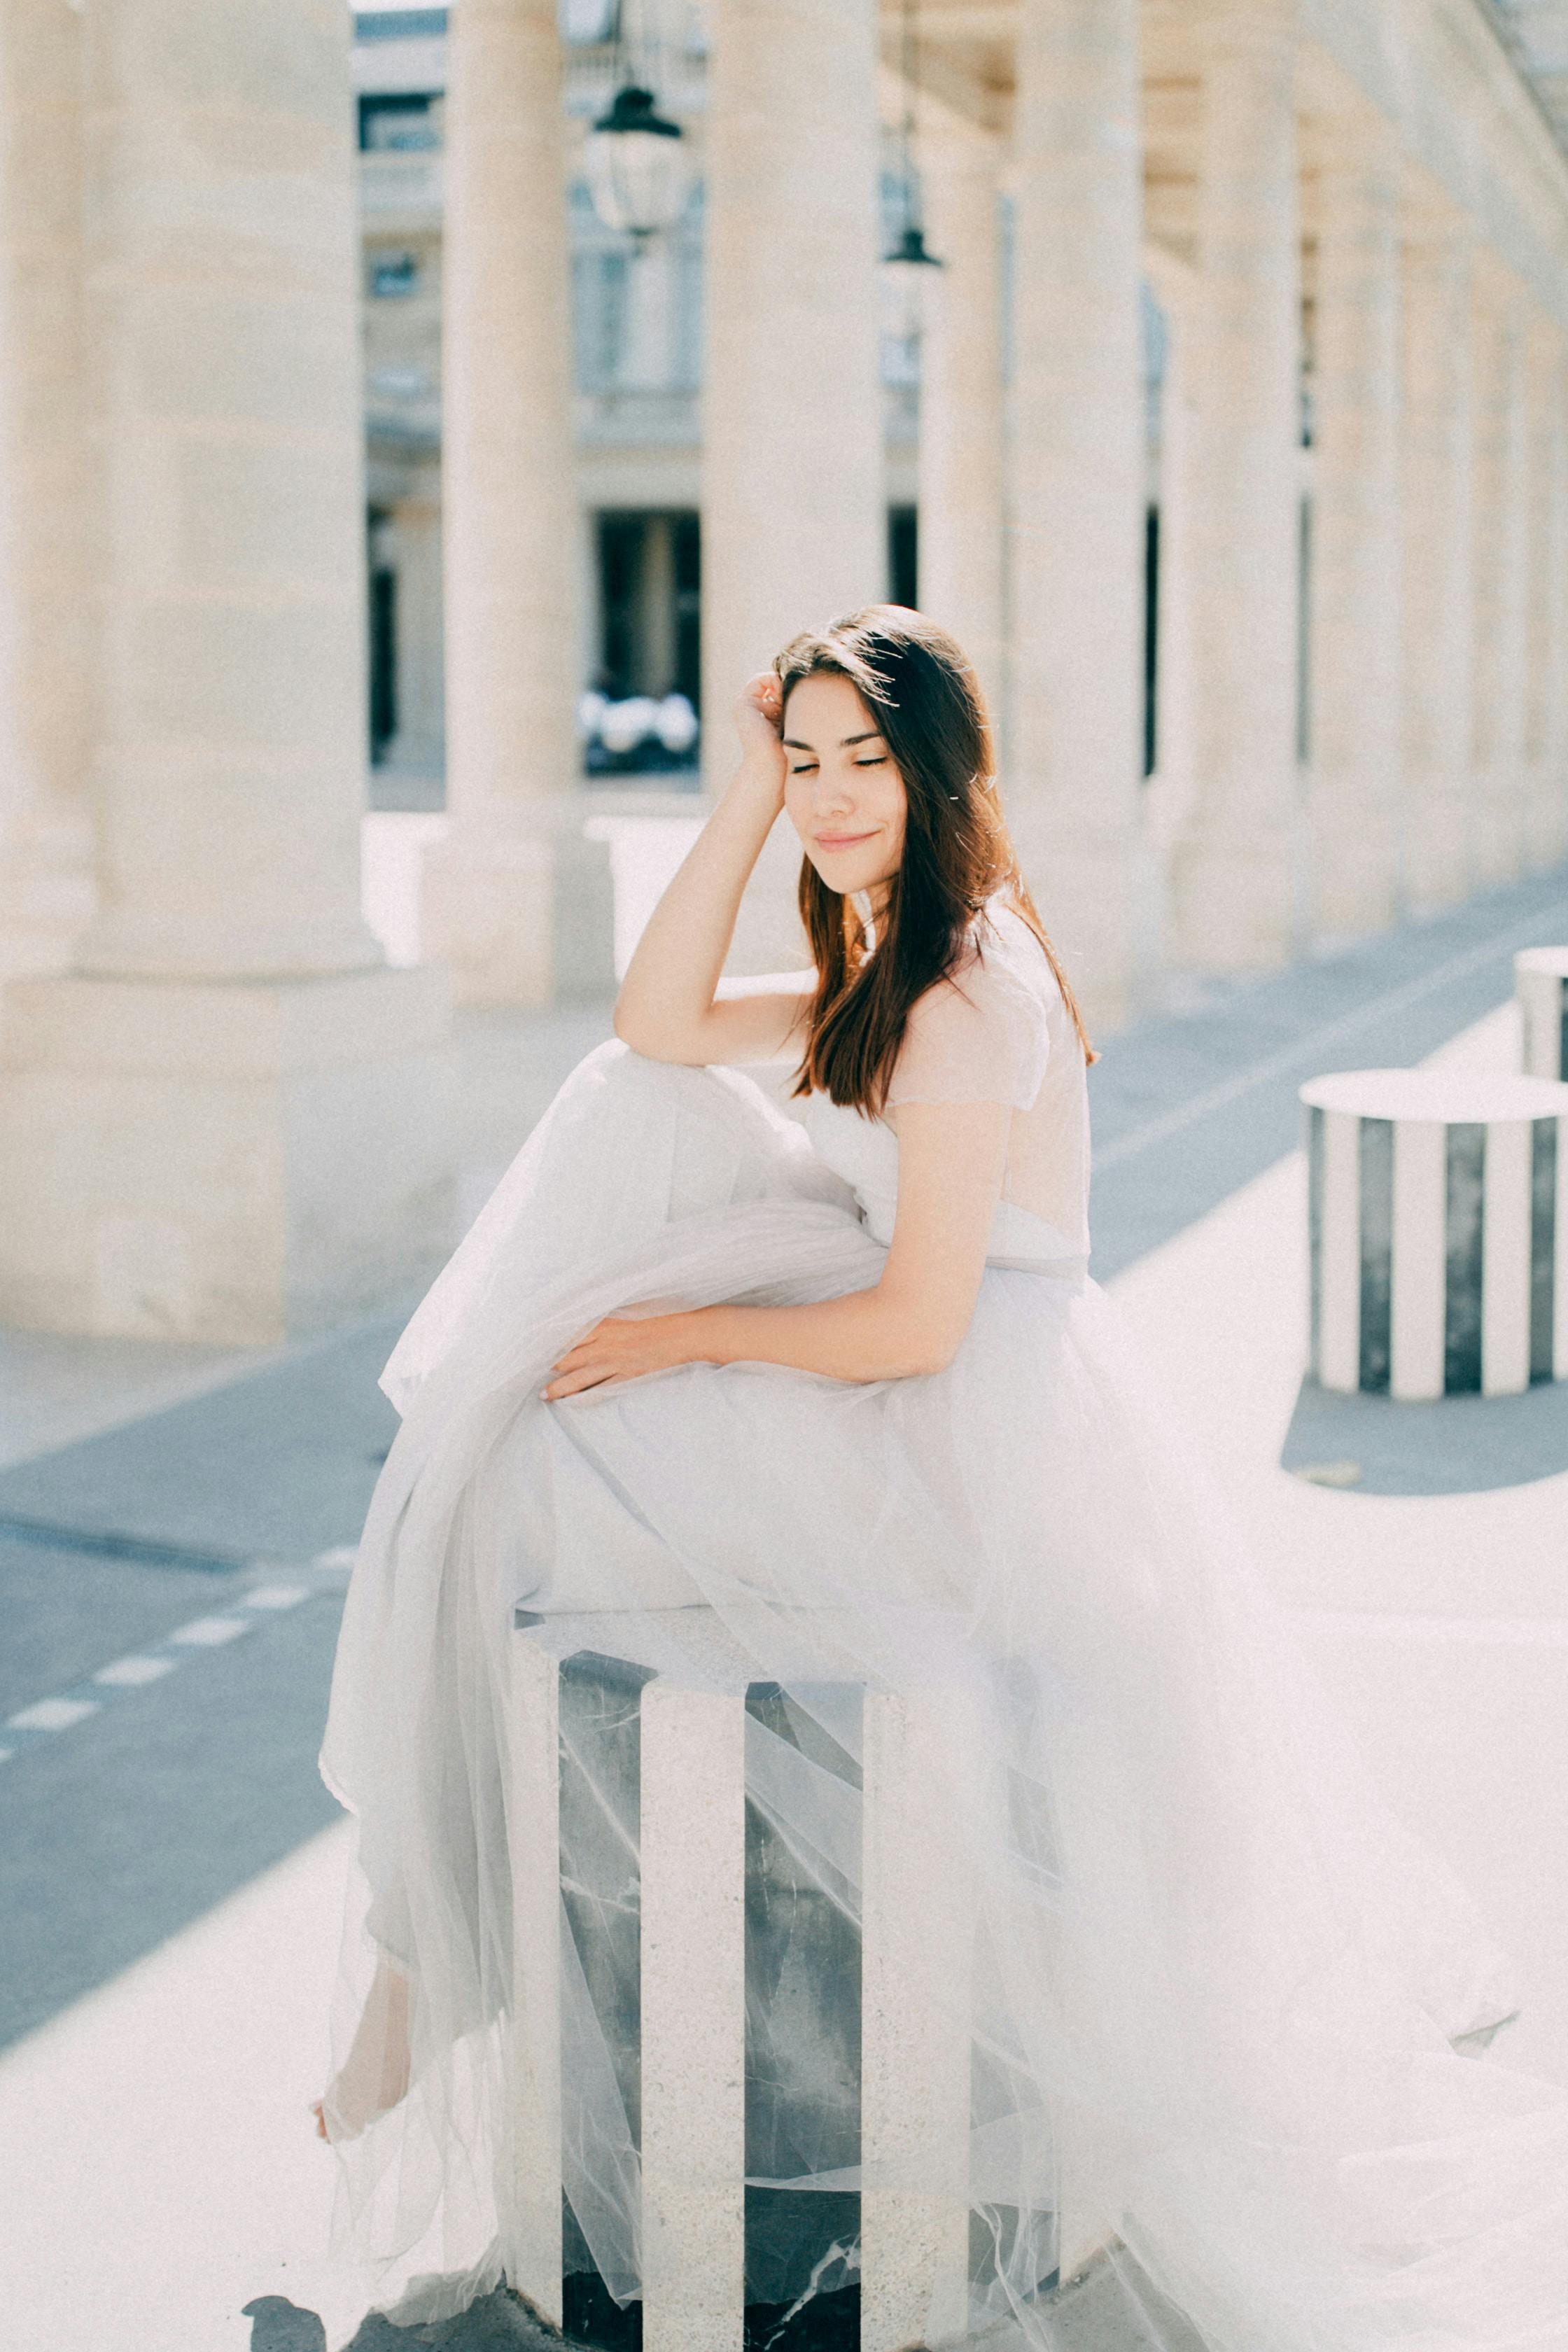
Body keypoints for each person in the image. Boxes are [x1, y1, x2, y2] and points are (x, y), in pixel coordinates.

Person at [316, 607, 1568, 2348]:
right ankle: (427, 1940)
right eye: (808, 759)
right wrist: (745, 796)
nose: (835, 799)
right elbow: (655, 1016)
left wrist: (683, 1335)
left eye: (862, 765)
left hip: (955, 1416)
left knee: (500, 1481)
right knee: (620, 1135)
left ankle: (426, 1946)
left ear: (940, 771)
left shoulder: (964, 990)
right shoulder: (880, 956)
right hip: (904, 1370)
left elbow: (915, 1322)